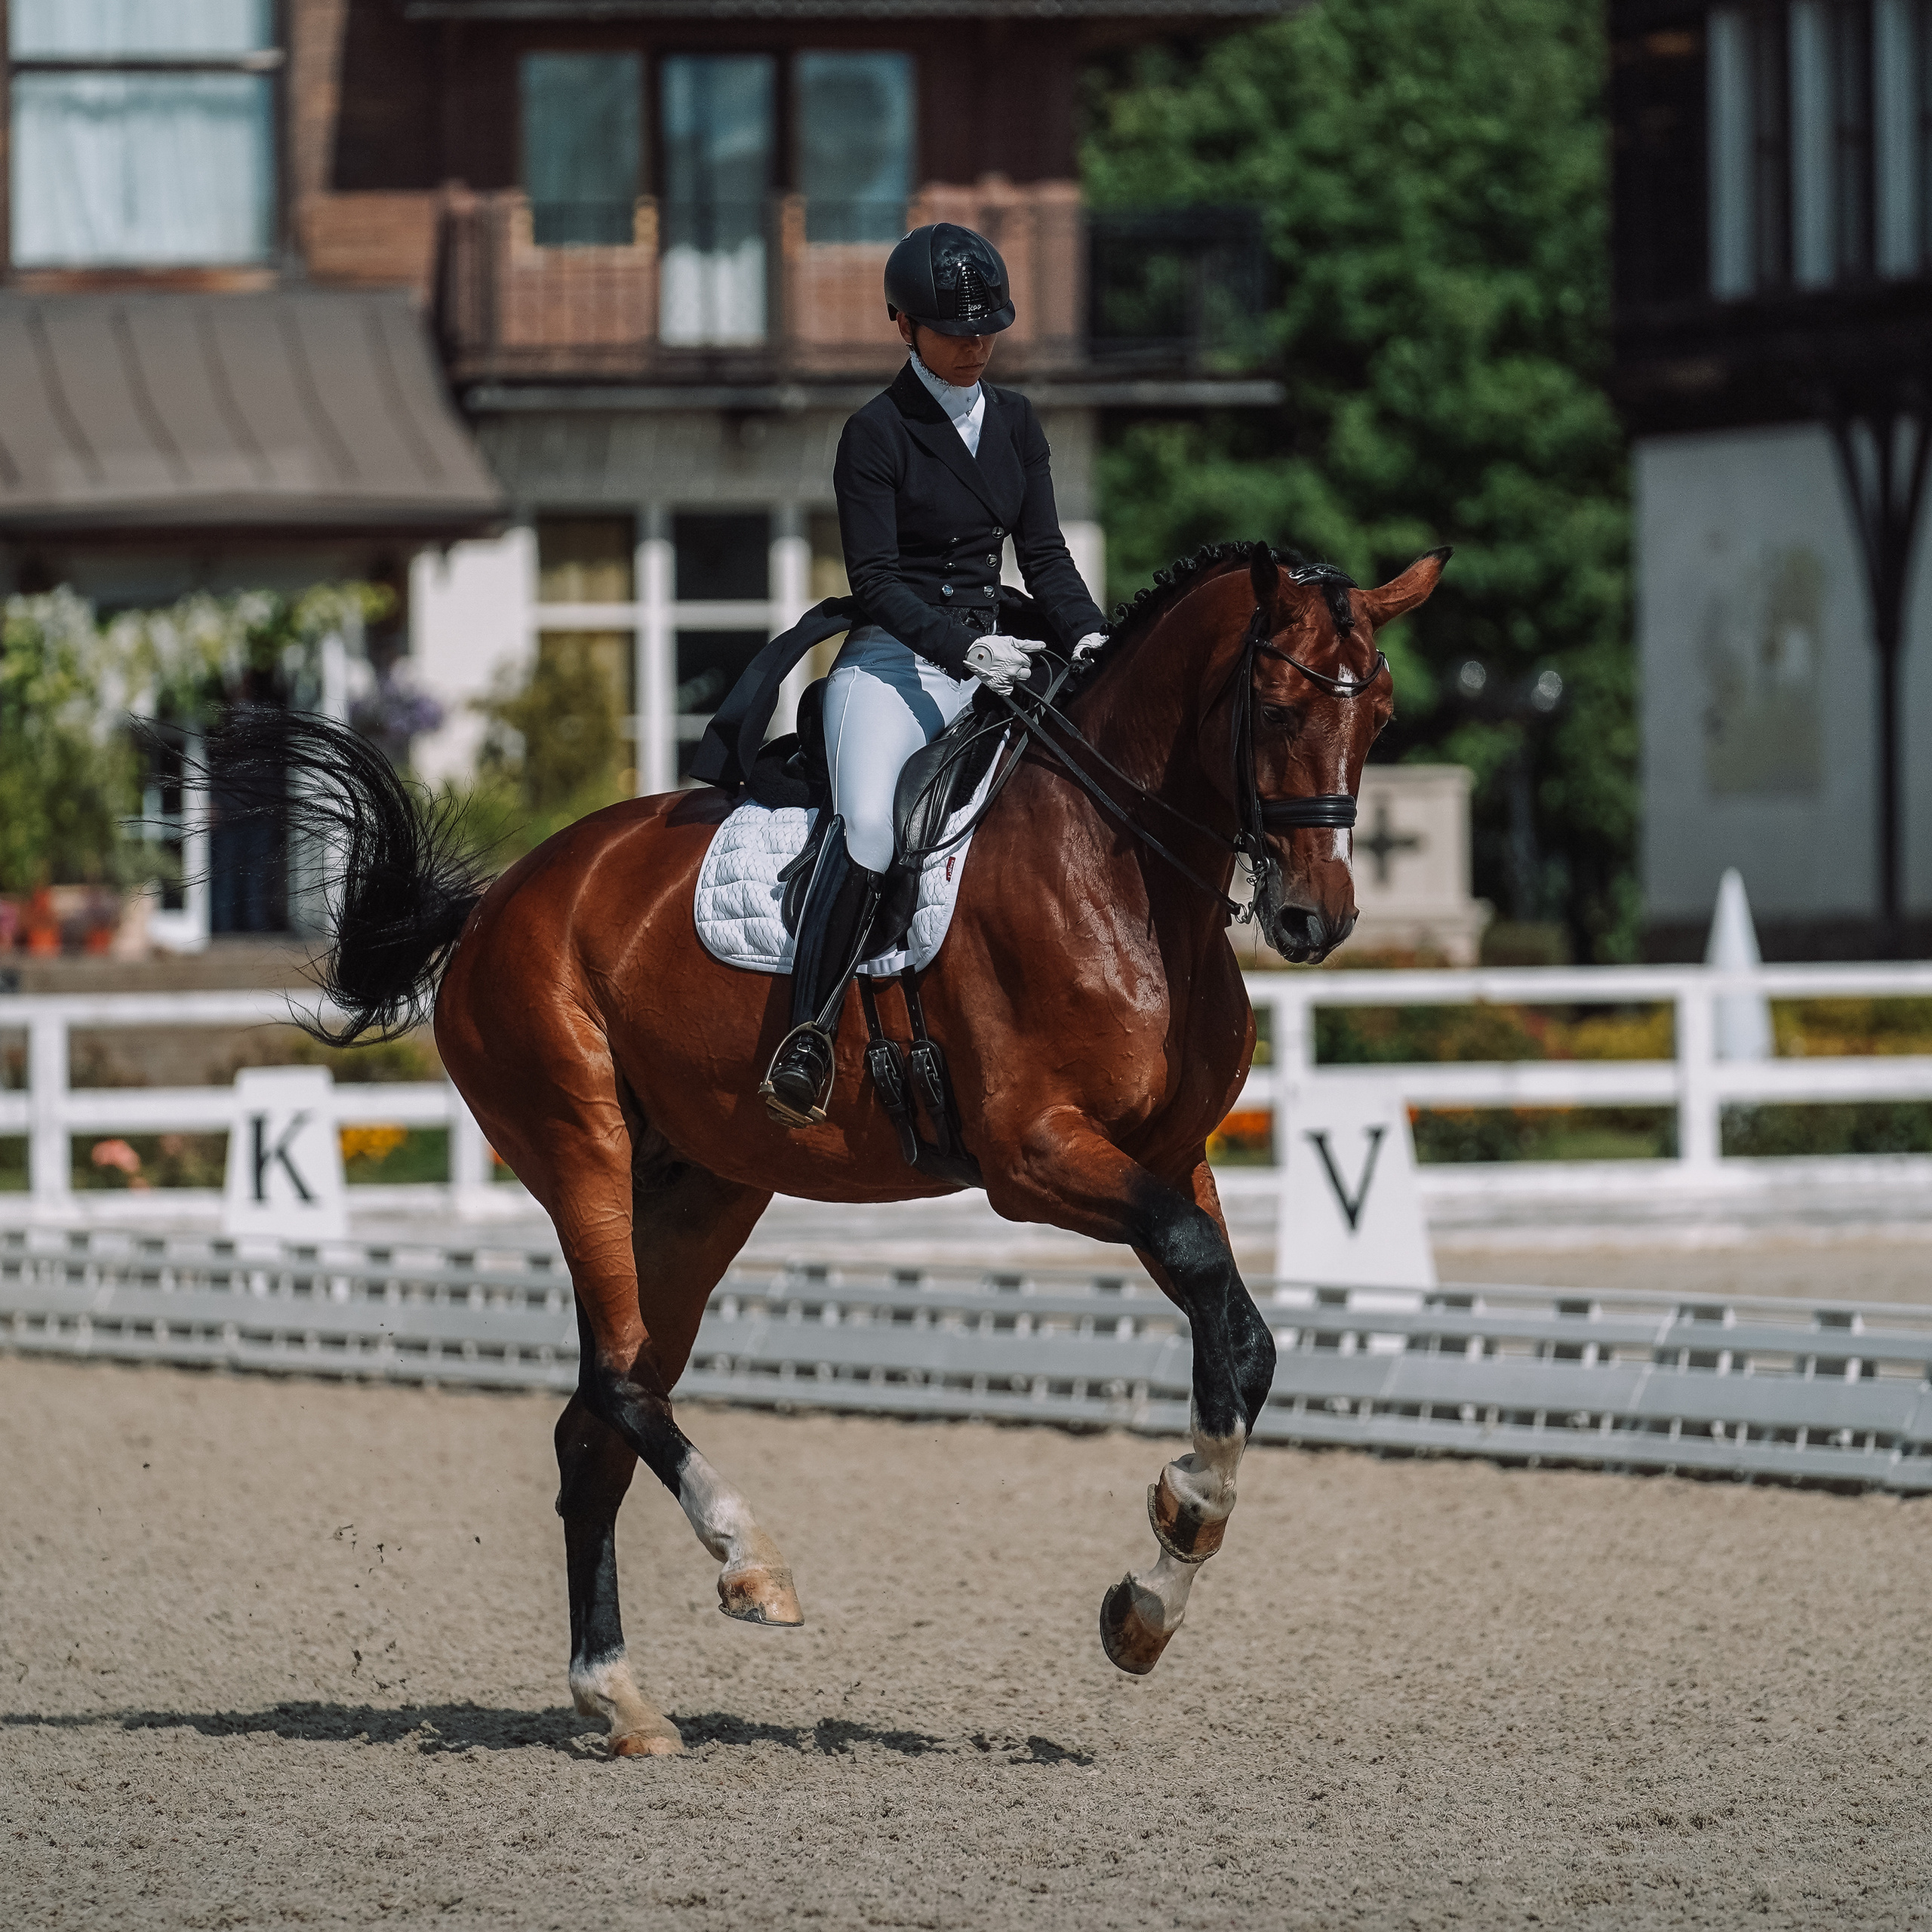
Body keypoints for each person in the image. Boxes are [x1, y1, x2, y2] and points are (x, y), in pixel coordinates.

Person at [753, 221, 1111, 1127]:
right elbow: (872, 581)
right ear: (901, 325)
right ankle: (806, 1034)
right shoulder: (875, 433)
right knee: (871, 826)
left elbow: (1044, 555)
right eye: (956, 332)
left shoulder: (1018, 422)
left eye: (988, 328)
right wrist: (962, 649)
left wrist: (1090, 639)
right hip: (892, 664)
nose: (975, 345)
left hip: (1000, 657)